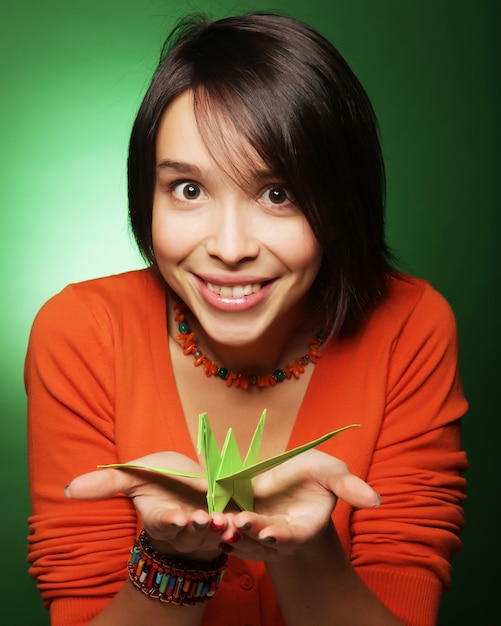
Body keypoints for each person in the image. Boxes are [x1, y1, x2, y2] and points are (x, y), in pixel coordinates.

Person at [25, 12, 468, 626]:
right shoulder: (82, 331)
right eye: (187, 189)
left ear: (343, 197)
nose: (230, 247)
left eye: (277, 192)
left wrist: (305, 549)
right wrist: (175, 558)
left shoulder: (410, 325)